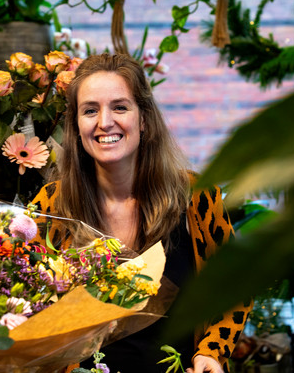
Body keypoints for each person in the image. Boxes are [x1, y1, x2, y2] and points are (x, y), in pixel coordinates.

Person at [30, 53, 250, 373]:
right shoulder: (51, 204)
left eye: (120, 107)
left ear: (143, 119)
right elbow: (29, 308)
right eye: (90, 110)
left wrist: (211, 353)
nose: (105, 122)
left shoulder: (196, 197)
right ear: (76, 126)